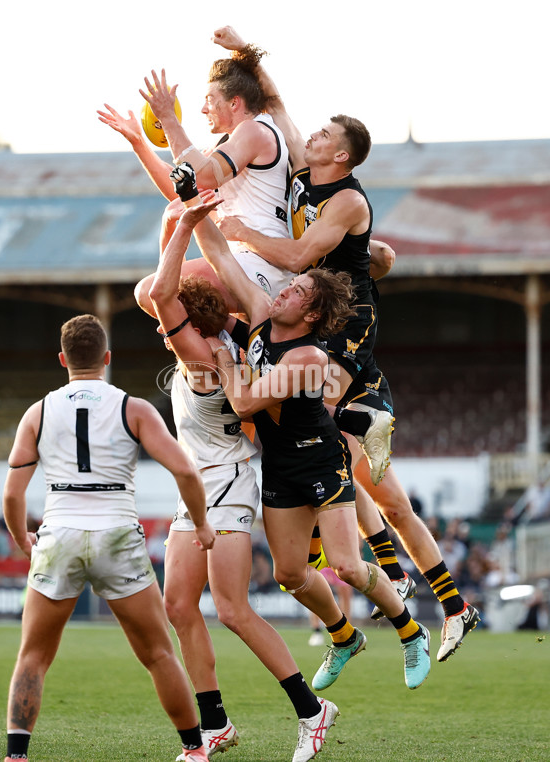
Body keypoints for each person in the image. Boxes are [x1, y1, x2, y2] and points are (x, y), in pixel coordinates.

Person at [211, 25, 480, 662]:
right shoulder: (309, 168)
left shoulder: (347, 199)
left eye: (326, 134)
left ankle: (365, 416)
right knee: (373, 487)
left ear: (344, 157)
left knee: (333, 429)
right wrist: (244, 49)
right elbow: (275, 104)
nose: (313, 136)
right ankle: (443, 599)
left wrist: (241, 230)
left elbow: (304, 253)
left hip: (346, 320)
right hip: (326, 308)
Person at [171, 170, 431, 703]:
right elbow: (220, 254)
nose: (284, 287)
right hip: (281, 469)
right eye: (292, 284)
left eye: (297, 290)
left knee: (347, 566)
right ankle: (343, 636)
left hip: (322, 464)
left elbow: (244, 402)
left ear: (311, 312)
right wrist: (193, 210)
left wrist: (223, 359)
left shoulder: (310, 356)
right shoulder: (266, 318)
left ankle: (411, 629)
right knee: (290, 574)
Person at [149, 194, 339, 762]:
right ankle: (215, 724)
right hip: (197, 491)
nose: (163, 317)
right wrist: (179, 214)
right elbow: (165, 286)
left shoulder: (201, 354)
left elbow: (157, 291)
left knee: (231, 610)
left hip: (227, 484)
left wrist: (181, 223)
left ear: (186, 316)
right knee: (178, 606)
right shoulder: (228, 341)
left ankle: (311, 709)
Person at [1, 314, 215, 762]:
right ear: (107, 358)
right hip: (117, 534)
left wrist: (23, 538)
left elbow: (12, 492)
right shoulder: (132, 407)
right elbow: (185, 470)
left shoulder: (37, 412)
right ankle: (194, 751)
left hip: (58, 533)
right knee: (158, 653)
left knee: (33, 656)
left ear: (63, 360)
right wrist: (201, 524)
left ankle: (16, 756)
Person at [97, 45, 295, 311]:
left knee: (151, 292)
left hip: (262, 265)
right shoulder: (232, 143)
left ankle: (212, 343)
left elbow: (204, 176)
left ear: (234, 102)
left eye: (210, 99)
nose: (203, 109)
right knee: (160, 296)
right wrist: (139, 143)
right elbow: (183, 189)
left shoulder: (254, 130)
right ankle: (215, 345)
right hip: (241, 261)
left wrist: (168, 117)